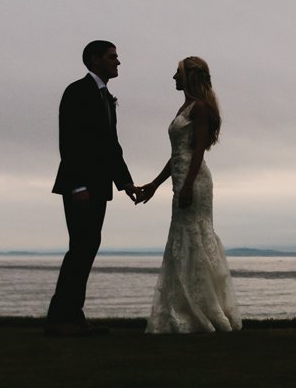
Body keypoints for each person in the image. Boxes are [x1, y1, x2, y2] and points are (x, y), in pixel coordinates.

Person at [136, 56, 241, 333]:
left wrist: (187, 185)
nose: (173, 77)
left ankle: (204, 312)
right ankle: (183, 309)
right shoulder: (185, 107)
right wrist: (156, 184)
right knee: (182, 241)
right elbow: (176, 156)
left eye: (178, 73)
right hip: (181, 178)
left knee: (195, 238)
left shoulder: (201, 109)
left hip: (194, 181)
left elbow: (197, 152)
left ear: (190, 77)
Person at [46, 40, 137, 337]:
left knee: (87, 247)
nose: (118, 62)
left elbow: (111, 145)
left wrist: (125, 183)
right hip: (81, 188)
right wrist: (78, 185)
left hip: (99, 187)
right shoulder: (77, 91)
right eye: (113, 57)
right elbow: (69, 141)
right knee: (80, 248)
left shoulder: (105, 96)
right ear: (95, 60)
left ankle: (73, 315)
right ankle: (61, 319)